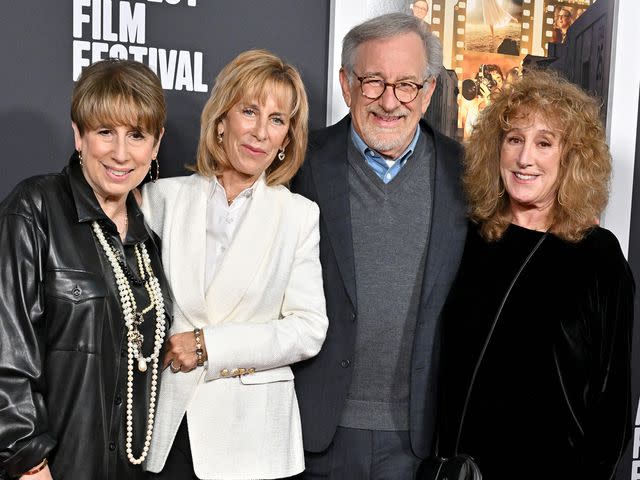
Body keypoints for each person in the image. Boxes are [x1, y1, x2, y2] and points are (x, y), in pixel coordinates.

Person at [291, 12, 467, 478]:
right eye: (373, 82)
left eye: (407, 84)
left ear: (428, 92)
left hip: (421, 440)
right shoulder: (299, 163)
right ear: (346, 84)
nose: (390, 102)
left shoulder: (467, 174)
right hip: (316, 431)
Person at [141, 49, 328, 480]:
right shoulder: (160, 200)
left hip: (254, 442)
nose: (261, 132)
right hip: (169, 430)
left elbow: (308, 329)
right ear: (222, 119)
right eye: (249, 111)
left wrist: (209, 346)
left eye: (277, 120)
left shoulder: (298, 215)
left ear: (287, 140)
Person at [437, 69, 633, 479]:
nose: (525, 158)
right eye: (514, 139)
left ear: (571, 158)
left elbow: (612, 401)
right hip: (464, 469)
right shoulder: (469, 237)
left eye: (544, 143)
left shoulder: (599, 256)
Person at [0, 58, 171, 479]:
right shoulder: (35, 208)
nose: (120, 153)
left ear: (156, 144)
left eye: (136, 135)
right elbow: (6, 349)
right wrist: (28, 461)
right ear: (79, 135)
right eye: (104, 132)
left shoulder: (149, 242)